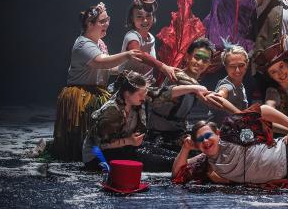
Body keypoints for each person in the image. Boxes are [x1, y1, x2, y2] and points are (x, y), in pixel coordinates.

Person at [52, 2, 141, 161]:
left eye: (107, 19)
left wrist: (129, 67)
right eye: (102, 21)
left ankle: (98, 152)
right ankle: (83, 155)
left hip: (96, 92)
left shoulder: (99, 43)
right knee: (82, 133)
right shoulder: (83, 44)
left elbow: (108, 68)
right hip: (81, 95)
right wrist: (127, 55)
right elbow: (102, 62)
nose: (106, 24)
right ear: (89, 24)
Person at [82, 70, 214, 171]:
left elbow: (161, 93)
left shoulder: (135, 98)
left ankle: (185, 159)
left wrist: (194, 88)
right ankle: (187, 163)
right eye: (140, 94)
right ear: (127, 94)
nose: (144, 96)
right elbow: (101, 144)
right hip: (98, 156)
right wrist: (129, 141)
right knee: (143, 157)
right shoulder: (112, 113)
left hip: (125, 146)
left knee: (150, 148)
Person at [147, 38, 235, 149]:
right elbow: (209, 98)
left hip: (176, 135)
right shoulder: (177, 76)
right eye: (197, 57)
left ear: (209, 64)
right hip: (157, 137)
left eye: (205, 60)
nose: (200, 63)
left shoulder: (196, 84)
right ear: (187, 57)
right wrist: (241, 114)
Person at [121, 0, 179, 82]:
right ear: (132, 18)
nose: (145, 20)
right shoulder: (131, 36)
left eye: (148, 16)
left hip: (145, 89)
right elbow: (138, 54)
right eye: (139, 16)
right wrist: (163, 67)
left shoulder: (151, 38)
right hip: (128, 91)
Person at [254, 38, 288, 128]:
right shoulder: (273, 92)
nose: (280, 73)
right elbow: (266, 115)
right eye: (273, 72)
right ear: (270, 76)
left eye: (281, 66)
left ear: (287, 63)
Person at [210, 42, 250, 125]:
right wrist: (241, 116)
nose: (237, 70)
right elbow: (218, 97)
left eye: (241, 65)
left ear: (247, 64)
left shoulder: (240, 84)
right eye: (232, 66)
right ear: (225, 67)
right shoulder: (227, 85)